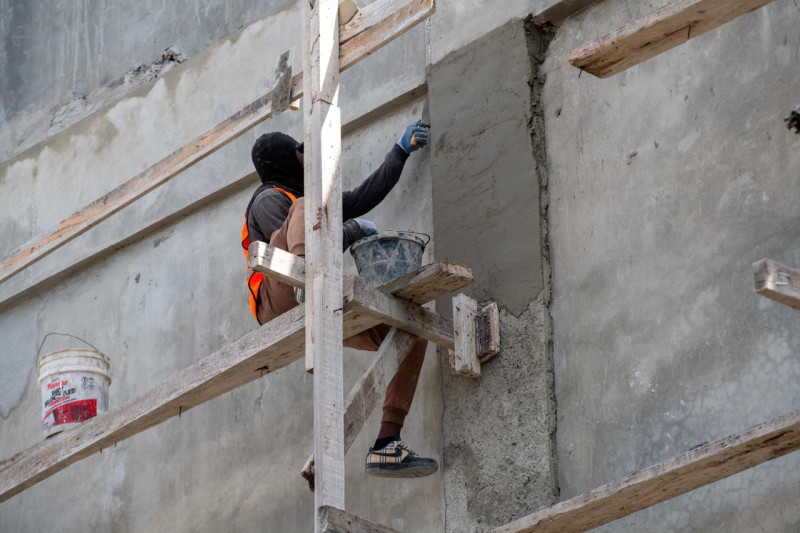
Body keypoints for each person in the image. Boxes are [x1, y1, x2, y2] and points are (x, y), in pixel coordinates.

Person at [241, 120, 438, 478]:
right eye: (300, 154)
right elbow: (280, 249)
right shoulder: (271, 198)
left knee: (411, 328)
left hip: (314, 300)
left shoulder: (308, 208)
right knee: (304, 208)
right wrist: (350, 230)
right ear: (285, 161)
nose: (306, 160)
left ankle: (387, 443)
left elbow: (362, 198)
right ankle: (307, 279)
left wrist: (400, 151)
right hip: (279, 300)